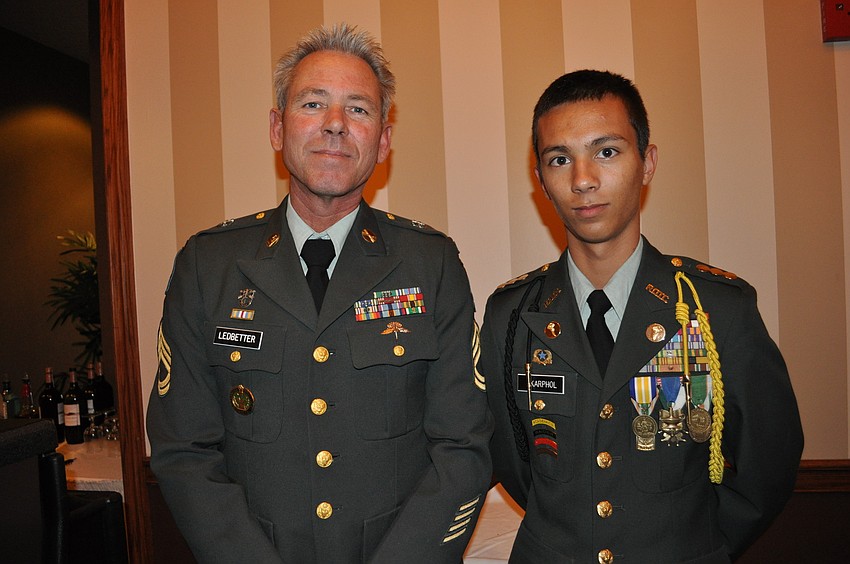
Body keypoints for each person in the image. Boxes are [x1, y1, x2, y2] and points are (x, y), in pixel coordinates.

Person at [147, 24, 492, 563]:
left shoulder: (431, 263)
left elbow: (463, 447)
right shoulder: (207, 266)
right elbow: (183, 450)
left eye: (358, 109)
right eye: (313, 104)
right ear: (277, 128)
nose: (335, 125)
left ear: (383, 139)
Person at [481, 70, 803, 563]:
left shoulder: (717, 308)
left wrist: (700, 543)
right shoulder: (513, 314)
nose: (583, 179)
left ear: (647, 163)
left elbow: (769, 464)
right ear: (541, 181)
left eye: (606, 152)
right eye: (560, 159)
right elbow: (516, 464)